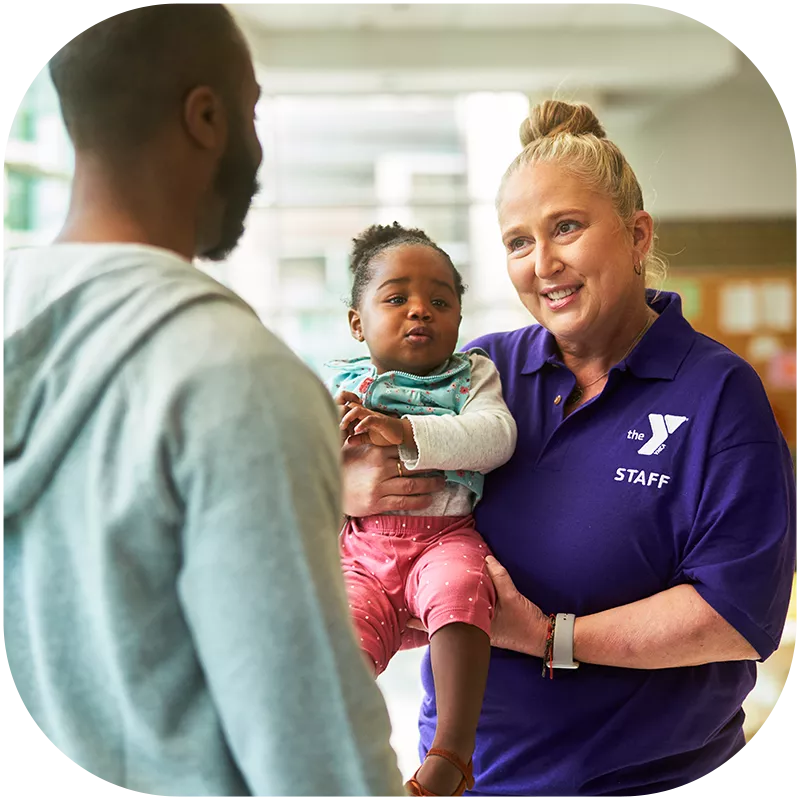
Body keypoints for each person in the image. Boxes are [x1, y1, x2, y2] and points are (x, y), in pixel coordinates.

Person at [339, 100, 798, 799]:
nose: (543, 264)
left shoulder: (717, 393)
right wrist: (347, 496)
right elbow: (395, 548)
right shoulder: (481, 375)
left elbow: (735, 620)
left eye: (566, 229)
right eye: (518, 242)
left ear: (638, 235)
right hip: (464, 782)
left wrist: (552, 636)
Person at [1, 4, 404, 798]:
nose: (255, 147)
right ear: (207, 117)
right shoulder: (239, 382)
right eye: (251, 112)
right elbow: (318, 763)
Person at [326, 222, 518, 798]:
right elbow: (291, 471)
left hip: (445, 538)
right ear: (358, 322)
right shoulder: (337, 385)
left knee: (464, 591)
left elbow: (496, 439)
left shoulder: (471, 376)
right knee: (337, 632)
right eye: (396, 298)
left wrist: (404, 429)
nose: (419, 311)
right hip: (363, 550)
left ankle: (452, 753)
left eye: (440, 300)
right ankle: (343, 755)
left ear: (458, 319)